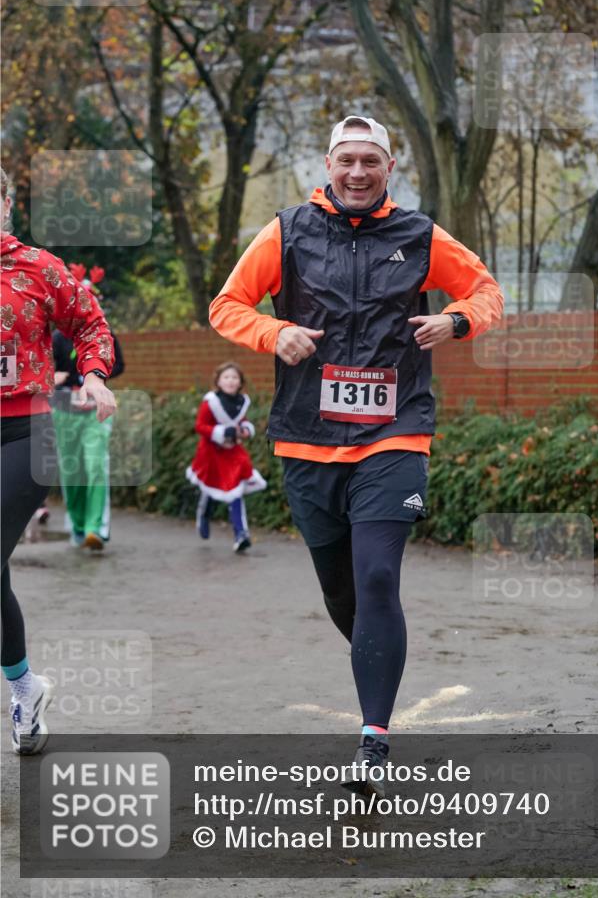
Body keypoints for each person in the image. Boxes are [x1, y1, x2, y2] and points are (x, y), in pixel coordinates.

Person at [209, 115, 504, 793]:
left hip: (394, 432)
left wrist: (455, 320)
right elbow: (227, 305)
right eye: (346, 160)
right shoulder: (286, 230)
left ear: (388, 168)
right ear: (327, 164)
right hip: (306, 437)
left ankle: (373, 739)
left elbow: (485, 290)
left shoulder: (419, 234)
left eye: (370, 160)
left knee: (375, 580)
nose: (357, 172)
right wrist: (272, 331)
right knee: (341, 591)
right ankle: (378, 656)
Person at [0, 166, 116, 754]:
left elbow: (92, 325)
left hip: (27, 433)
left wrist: (93, 375)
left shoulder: (40, 269)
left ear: (6, 204)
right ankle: (24, 687)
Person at [51, 264, 125, 551]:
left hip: (95, 407)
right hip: (64, 407)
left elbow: (118, 364)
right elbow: (43, 370)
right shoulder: (57, 338)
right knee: (72, 470)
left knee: (95, 466)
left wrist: (97, 377)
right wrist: (60, 377)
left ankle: (97, 528)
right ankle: (78, 526)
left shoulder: (105, 333)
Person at [186, 361, 266, 553]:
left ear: (240, 382)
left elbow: (243, 421)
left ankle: (241, 534)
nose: (231, 381)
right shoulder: (210, 402)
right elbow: (200, 426)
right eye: (226, 377)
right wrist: (223, 431)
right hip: (211, 453)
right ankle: (204, 514)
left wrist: (246, 430)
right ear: (218, 381)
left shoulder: (242, 402)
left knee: (236, 490)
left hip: (233, 453)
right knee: (212, 487)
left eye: (234, 378)